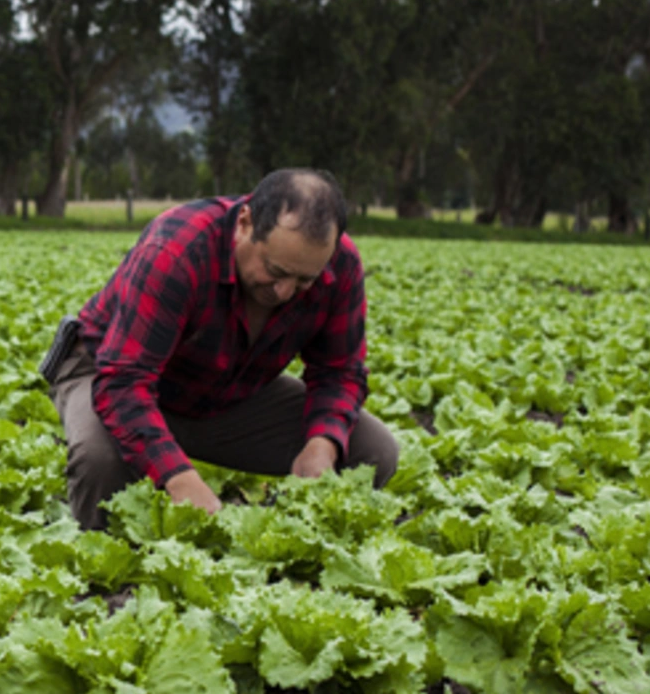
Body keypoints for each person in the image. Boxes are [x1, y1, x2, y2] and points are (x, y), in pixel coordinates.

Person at [47, 168, 398, 530]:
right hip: (106, 375)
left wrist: (320, 447)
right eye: (274, 271)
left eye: (304, 281)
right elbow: (123, 383)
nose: (283, 292)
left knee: (373, 452)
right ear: (244, 224)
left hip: (225, 388)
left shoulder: (340, 266)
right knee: (102, 461)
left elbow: (338, 372)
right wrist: (180, 478)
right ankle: (104, 555)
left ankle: (290, 534)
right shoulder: (177, 249)